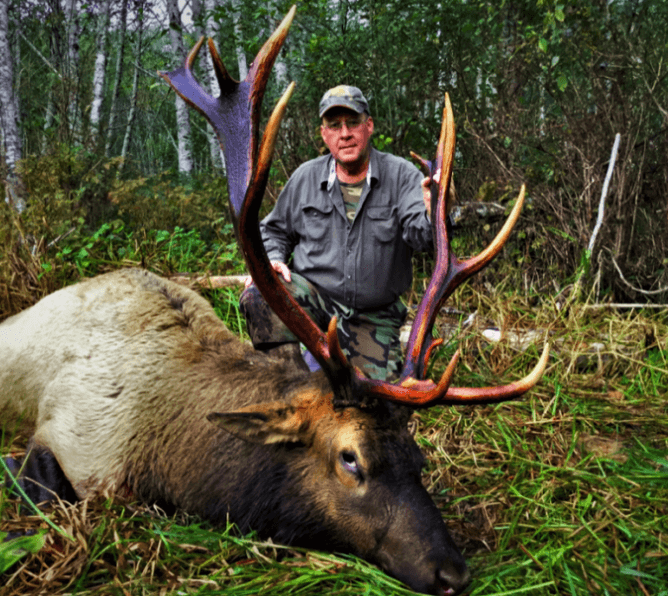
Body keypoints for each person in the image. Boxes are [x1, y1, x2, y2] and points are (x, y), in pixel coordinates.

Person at [239, 85, 434, 381]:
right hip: (316, 304)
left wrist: (435, 210)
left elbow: (423, 239)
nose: (345, 133)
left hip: (374, 317)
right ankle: (287, 381)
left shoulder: (403, 176)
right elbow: (273, 231)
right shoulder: (305, 178)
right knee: (259, 294)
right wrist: (274, 259)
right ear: (324, 134)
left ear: (368, 126)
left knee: (376, 408)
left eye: (353, 122)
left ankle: (334, 365)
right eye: (334, 126)